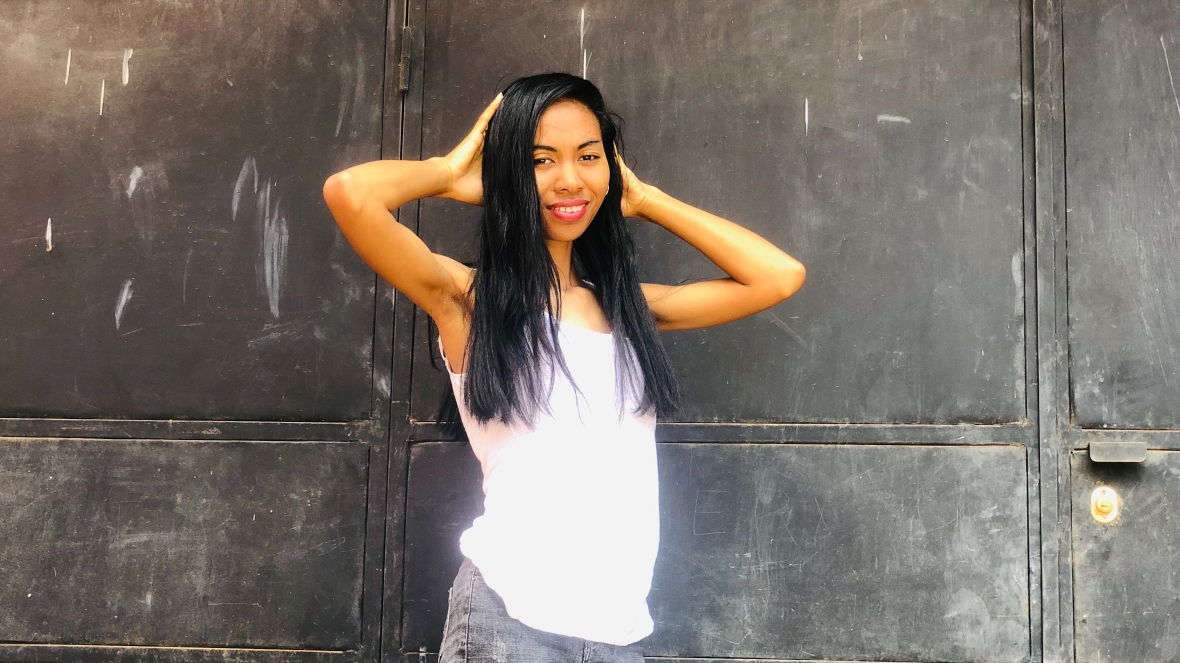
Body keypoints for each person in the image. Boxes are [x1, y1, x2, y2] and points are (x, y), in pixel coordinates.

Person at [323, 73, 805, 663]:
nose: (570, 179)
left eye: (588, 156)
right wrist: (447, 174)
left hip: (617, 634)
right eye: (540, 160)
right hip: (509, 623)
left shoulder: (628, 310)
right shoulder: (468, 298)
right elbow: (351, 194)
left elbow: (778, 276)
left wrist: (644, 199)